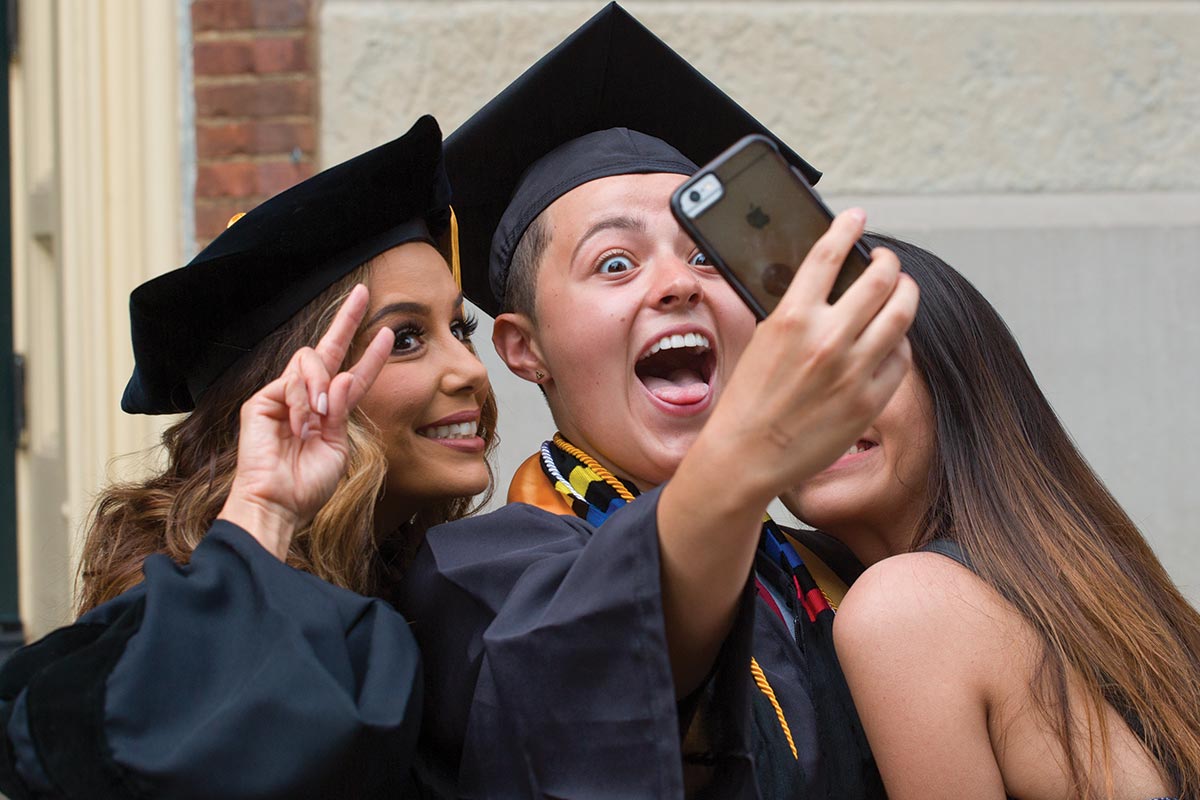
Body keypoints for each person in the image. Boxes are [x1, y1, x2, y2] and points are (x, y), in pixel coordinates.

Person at [399, 4, 915, 797]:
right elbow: (603, 671)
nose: (677, 283)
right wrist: (757, 445)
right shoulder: (479, 579)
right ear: (522, 348)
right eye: (615, 263)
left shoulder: (834, 570)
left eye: (708, 255)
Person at [0, 115, 499, 799]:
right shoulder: (164, 619)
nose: (469, 369)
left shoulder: (428, 586)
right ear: (288, 388)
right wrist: (264, 513)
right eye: (407, 337)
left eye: (460, 329)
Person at [782, 235, 1200, 799]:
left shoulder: (907, 604)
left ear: (953, 382)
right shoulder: (1071, 592)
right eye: (778, 383)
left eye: (858, 362)